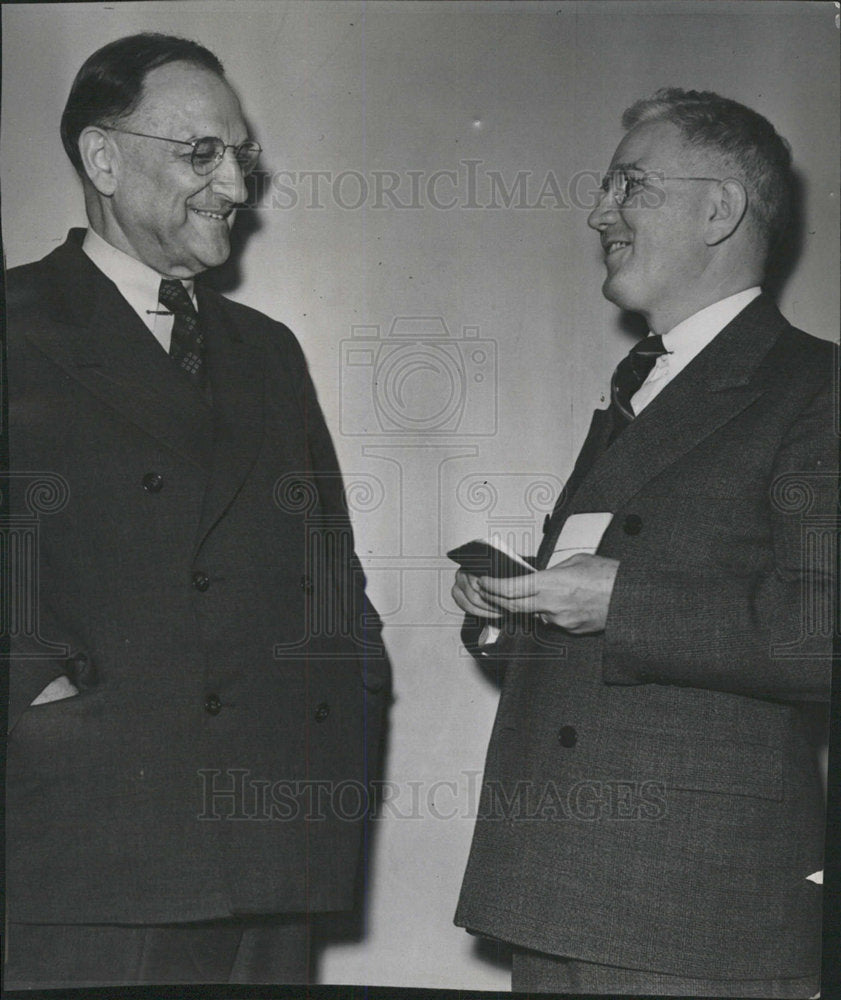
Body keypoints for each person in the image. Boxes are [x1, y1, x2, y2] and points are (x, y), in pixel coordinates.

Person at [4, 32, 389, 988]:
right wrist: (33, 693)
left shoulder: (266, 348)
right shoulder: (16, 322)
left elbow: (326, 571)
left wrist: (351, 696)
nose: (234, 187)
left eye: (241, 157)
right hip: (92, 843)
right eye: (200, 154)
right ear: (103, 157)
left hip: (277, 844)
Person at [451, 88, 835, 996]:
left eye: (629, 185)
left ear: (719, 209)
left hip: (689, 907)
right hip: (558, 885)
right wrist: (520, 608)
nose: (598, 213)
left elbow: (820, 630)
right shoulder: (647, 382)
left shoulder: (814, 387)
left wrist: (615, 602)